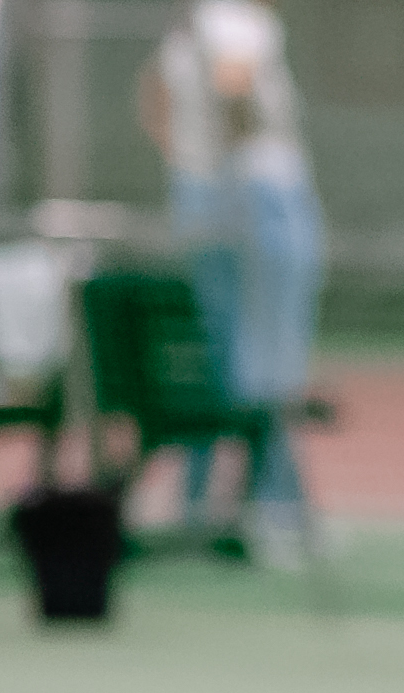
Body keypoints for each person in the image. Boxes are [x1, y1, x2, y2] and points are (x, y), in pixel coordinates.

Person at [137, 0, 324, 565]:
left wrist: (190, 161)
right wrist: (233, 167)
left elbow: (154, 95)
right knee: (267, 361)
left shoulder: (188, 32)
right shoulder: (235, 21)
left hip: (206, 193)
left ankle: (204, 500)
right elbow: (233, 86)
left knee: (223, 355)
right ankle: (270, 505)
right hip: (256, 198)